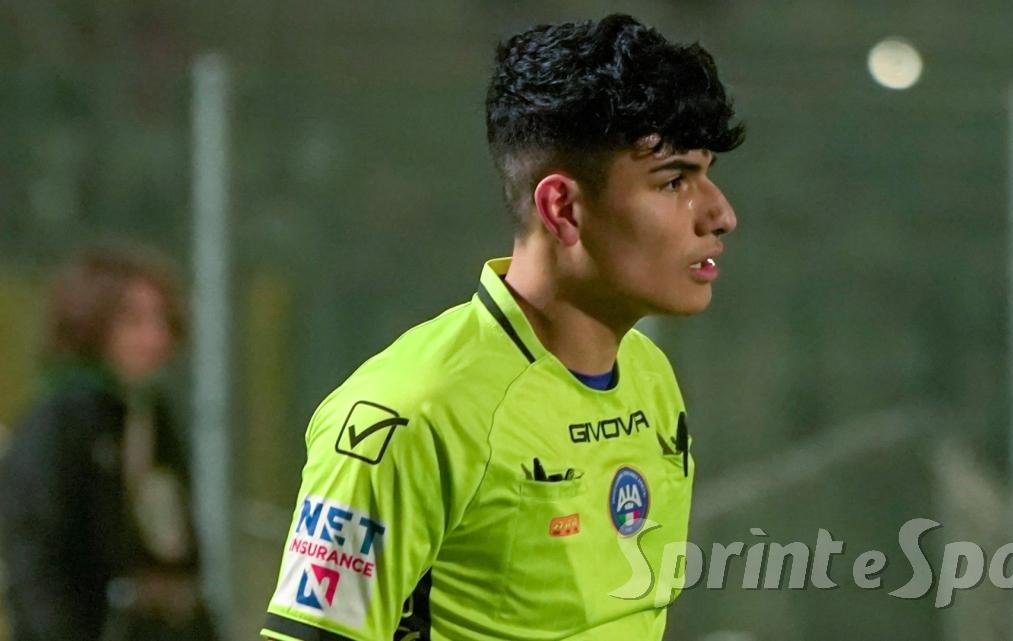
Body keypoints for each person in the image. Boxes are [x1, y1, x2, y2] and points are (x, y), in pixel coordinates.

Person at [261, 13, 743, 641]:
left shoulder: (650, 377)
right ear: (562, 208)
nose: (720, 214)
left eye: (708, 174)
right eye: (674, 180)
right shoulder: (413, 413)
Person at [0, 246, 216, 641]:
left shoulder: (151, 415)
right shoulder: (60, 421)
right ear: (91, 323)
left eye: (161, 320)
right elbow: (36, 560)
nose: (155, 338)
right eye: (133, 322)